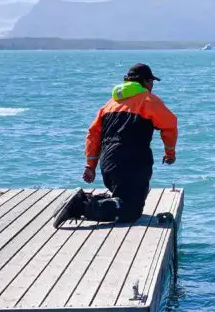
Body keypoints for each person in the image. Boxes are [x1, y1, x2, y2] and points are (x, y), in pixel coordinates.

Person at [54, 63, 178, 227]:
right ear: (146, 82)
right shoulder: (148, 100)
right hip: (132, 161)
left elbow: (93, 134)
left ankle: (87, 200)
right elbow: (170, 125)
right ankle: (81, 205)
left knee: (127, 198)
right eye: (151, 83)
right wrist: (170, 154)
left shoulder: (110, 104)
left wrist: (90, 165)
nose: (152, 87)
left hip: (108, 163)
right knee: (130, 211)